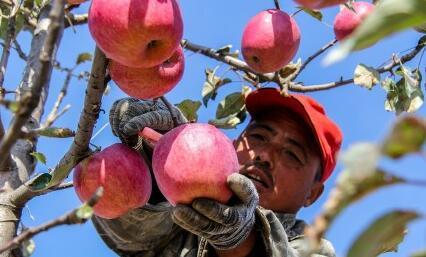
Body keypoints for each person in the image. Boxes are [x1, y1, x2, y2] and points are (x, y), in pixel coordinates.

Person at [92, 87, 343, 257]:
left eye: (292, 154)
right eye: (258, 136)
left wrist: (243, 239)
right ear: (232, 145)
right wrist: (148, 162)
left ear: (313, 193)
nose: (264, 155)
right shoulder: (180, 222)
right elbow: (127, 234)